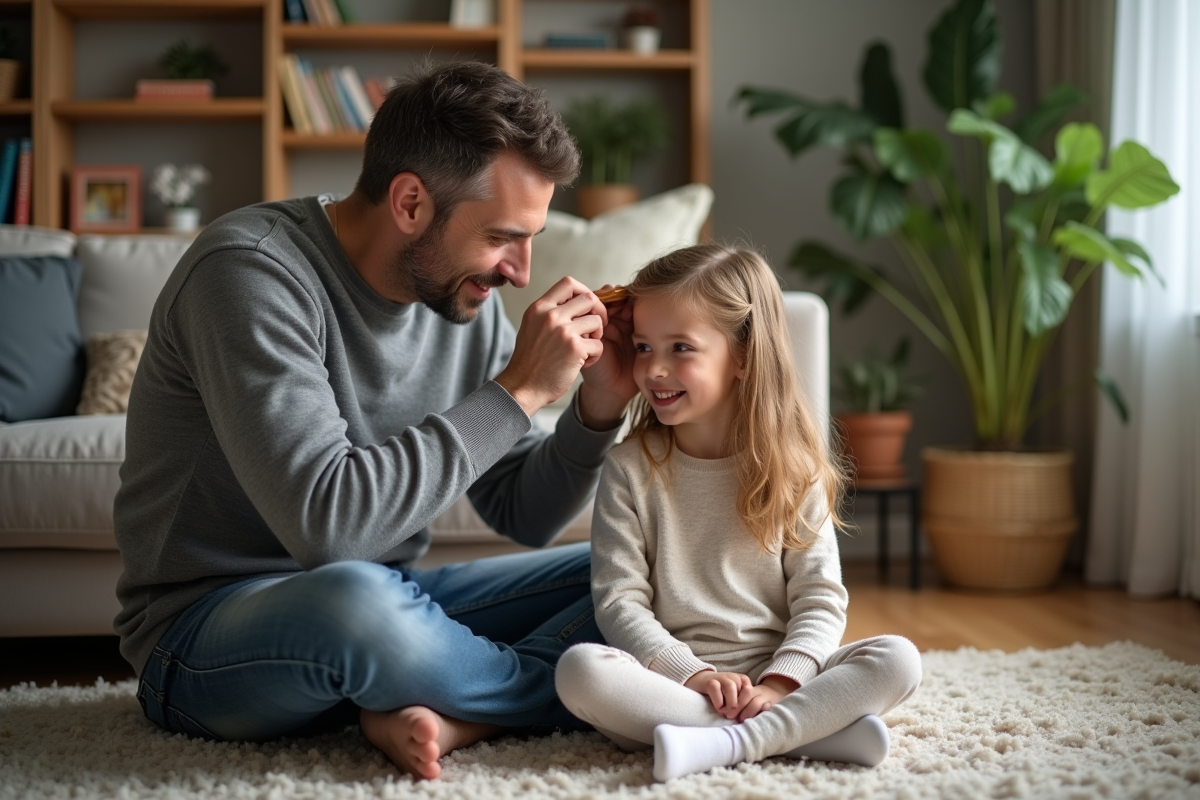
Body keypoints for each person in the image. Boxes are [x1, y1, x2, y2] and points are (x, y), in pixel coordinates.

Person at [112, 59, 639, 780]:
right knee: (358, 602)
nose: (519, 271)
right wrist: (518, 392)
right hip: (205, 635)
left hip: (394, 604)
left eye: (530, 240)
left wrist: (595, 407)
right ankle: (533, 693)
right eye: (502, 237)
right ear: (411, 203)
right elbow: (331, 529)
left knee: (644, 571)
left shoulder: (458, 298)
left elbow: (522, 510)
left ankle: (450, 705)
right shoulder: (249, 273)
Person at [554, 244, 923, 782]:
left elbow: (819, 600)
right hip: (675, 684)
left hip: (779, 679)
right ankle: (801, 737)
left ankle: (727, 739)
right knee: (582, 673)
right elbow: (619, 601)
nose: (654, 369)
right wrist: (695, 676)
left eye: (681, 347)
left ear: (744, 356)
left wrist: (779, 685)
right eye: (642, 346)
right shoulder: (629, 469)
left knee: (899, 659)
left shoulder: (793, 469)